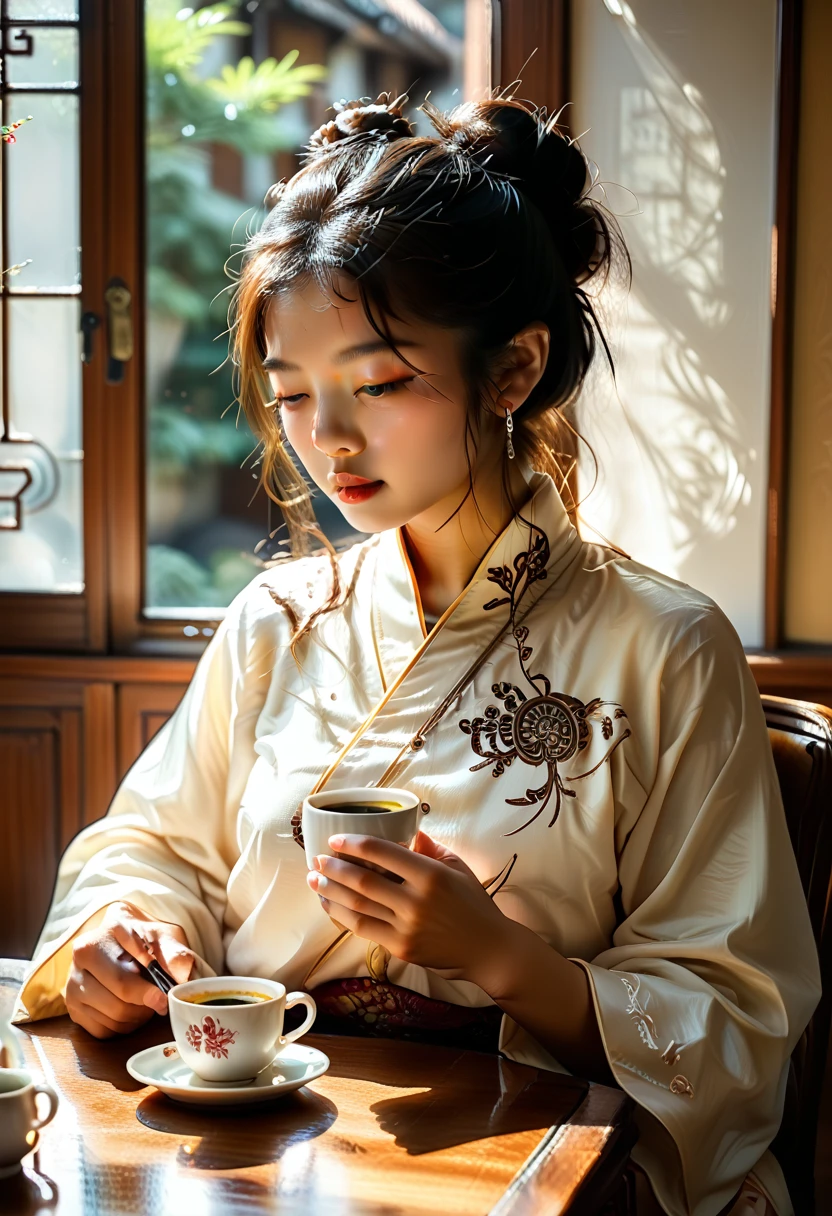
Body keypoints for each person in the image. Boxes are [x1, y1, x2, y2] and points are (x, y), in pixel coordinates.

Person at [13, 93, 820, 1216]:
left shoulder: (662, 646)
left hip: (522, 1148)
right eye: (293, 395)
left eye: (379, 383)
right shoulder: (276, 619)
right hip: (262, 1138)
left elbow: (732, 1013)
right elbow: (154, 848)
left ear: (512, 369)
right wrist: (123, 936)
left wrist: (495, 953)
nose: (328, 438)